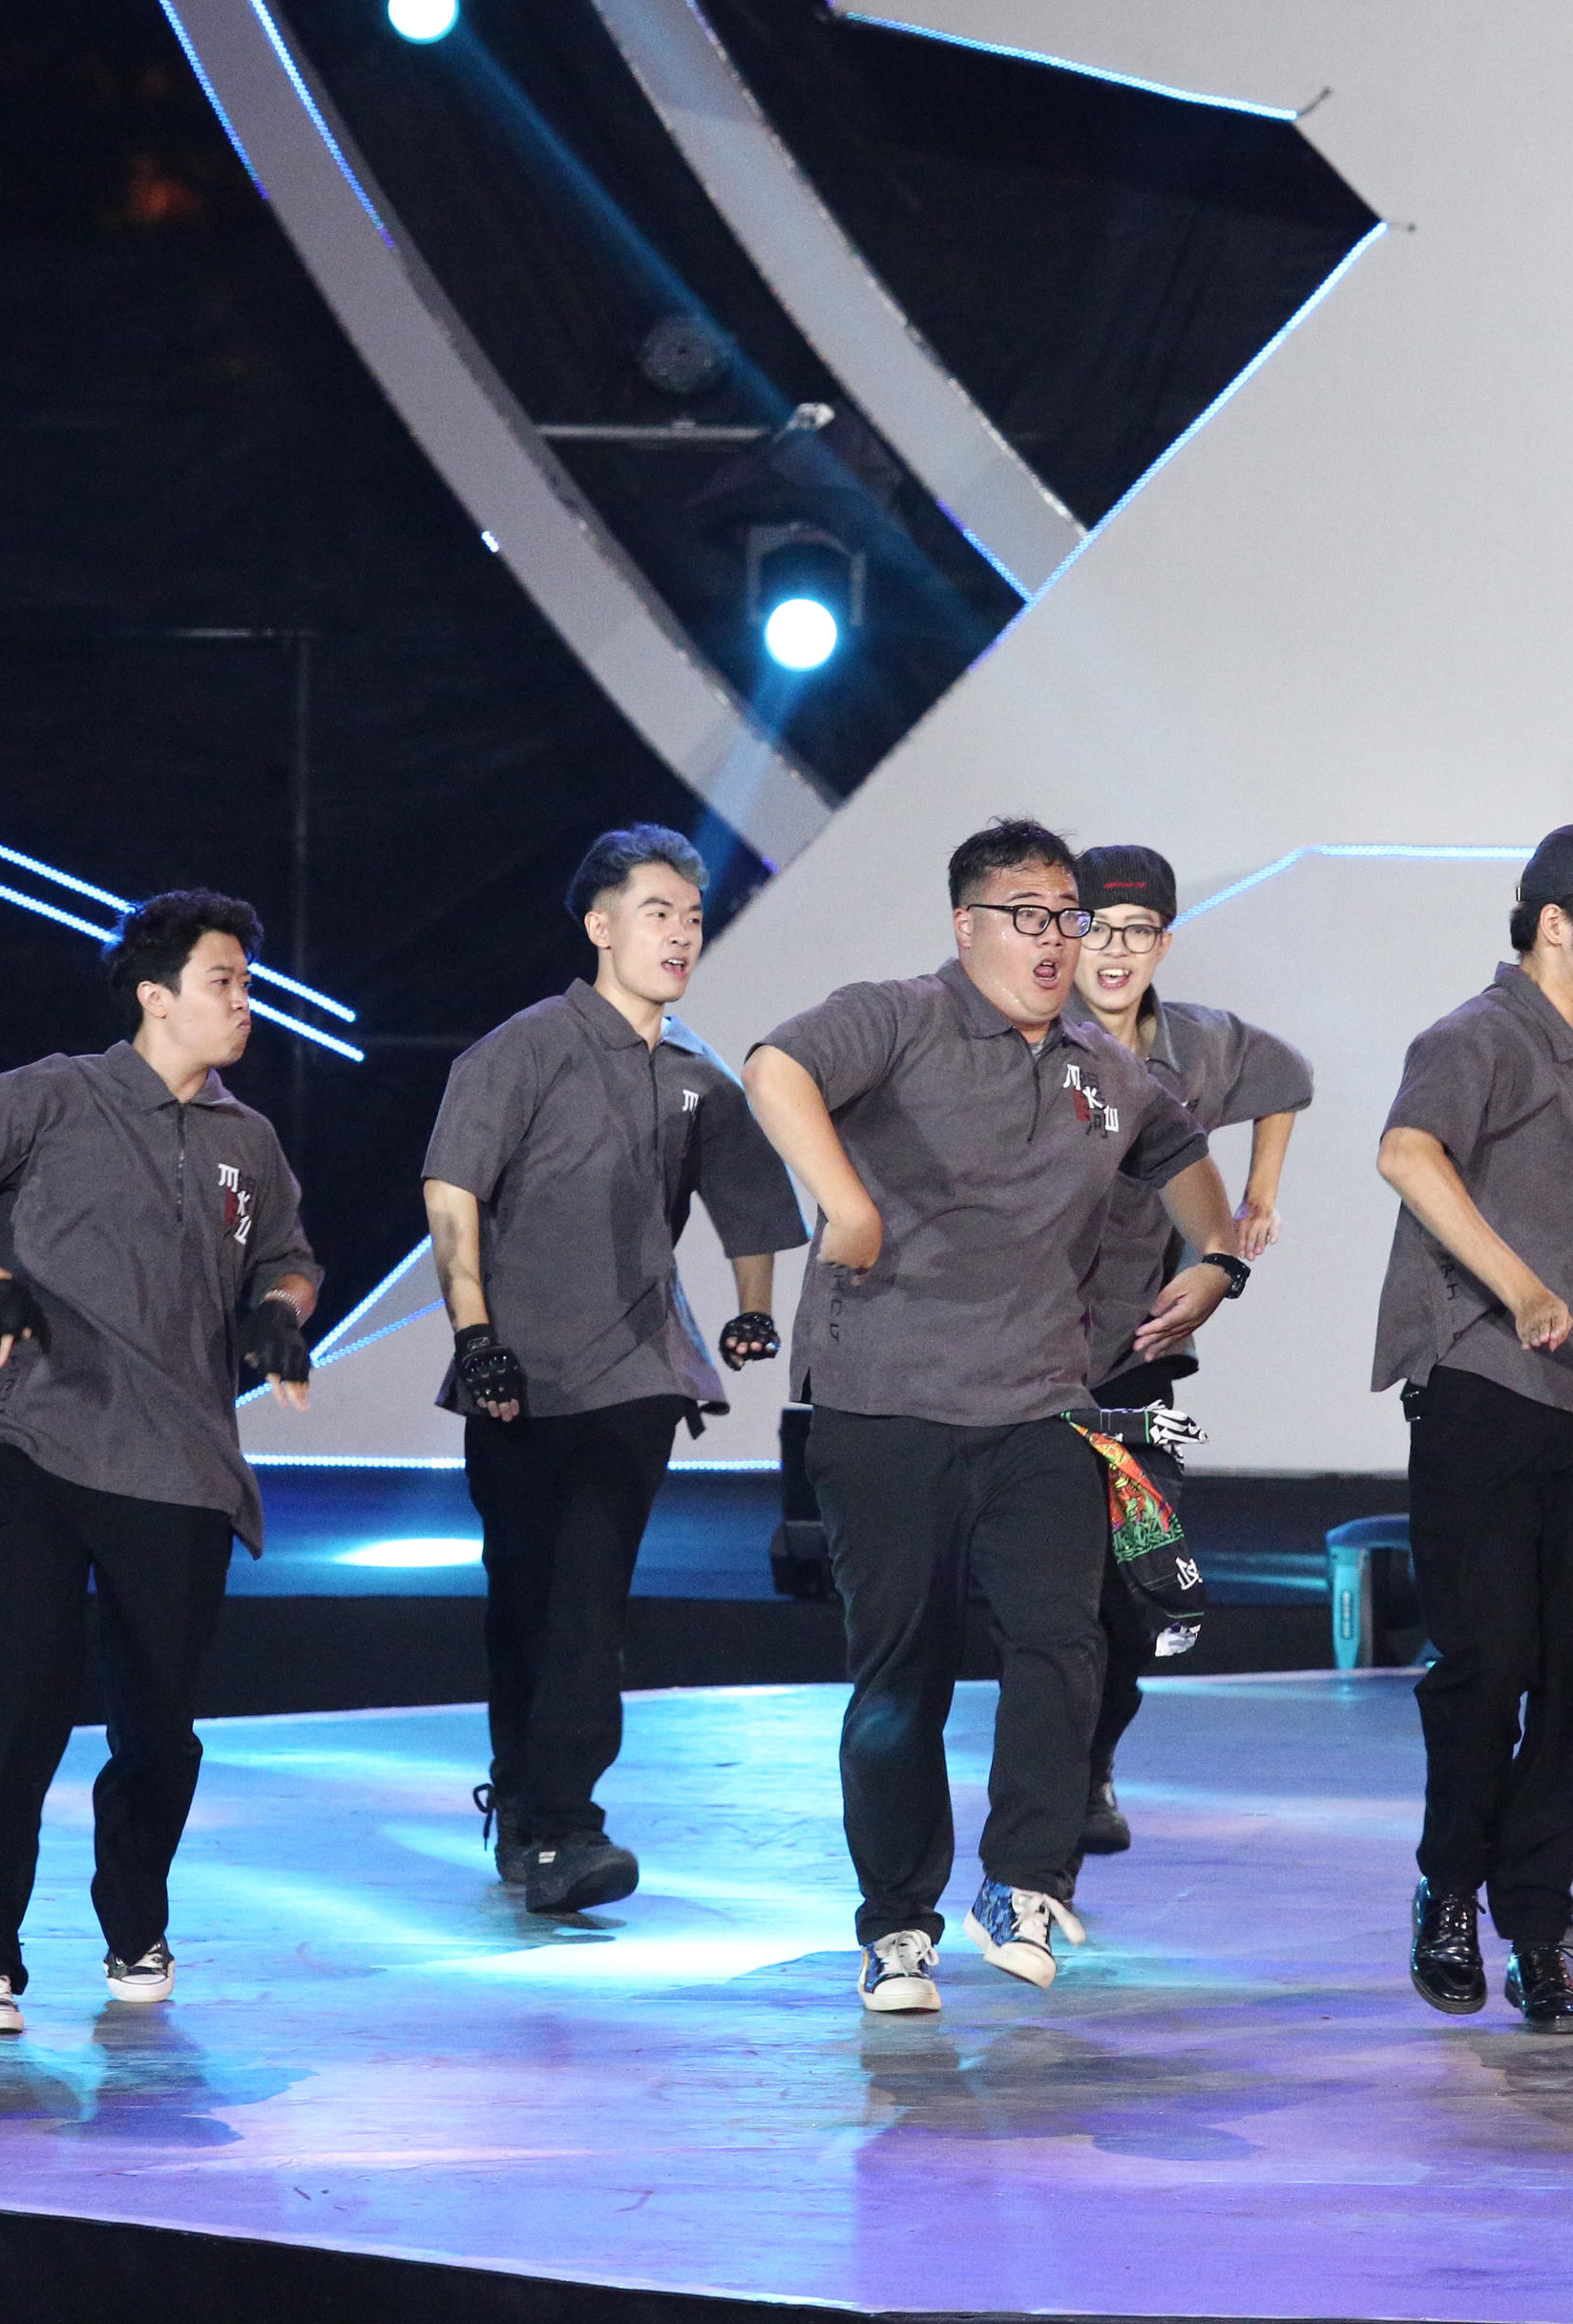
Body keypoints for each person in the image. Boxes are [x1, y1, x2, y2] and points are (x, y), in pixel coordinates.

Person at [743, 819, 1245, 2016]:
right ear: (967, 926)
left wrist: (1219, 1260)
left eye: (1068, 916)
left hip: (1041, 1403)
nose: (1055, 939)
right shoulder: (900, 1016)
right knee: (901, 1674)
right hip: (885, 1401)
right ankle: (895, 1926)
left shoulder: (1102, 1068)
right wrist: (847, 1203)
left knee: (1064, 1642)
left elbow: (1179, 1152)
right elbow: (774, 1067)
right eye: (1028, 916)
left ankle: (1023, 1880)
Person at [0, 890, 324, 2037]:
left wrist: (280, 1309)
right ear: (155, 995)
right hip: (33, 1439)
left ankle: (135, 1923)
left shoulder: (247, 1140)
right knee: (18, 1700)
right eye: (224, 982)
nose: (246, 1004)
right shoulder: (54, 1093)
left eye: (247, 983)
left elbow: (288, 1256)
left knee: (160, 1728)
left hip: (179, 1464)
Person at [425, 826, 810, 1915]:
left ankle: (566, 1825)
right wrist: (475, 1333)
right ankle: (523, 1798)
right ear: (600, 926)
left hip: (641, 1369)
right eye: (657, 913)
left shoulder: (698, 1075)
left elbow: (751, 1203)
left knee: (589, 1599)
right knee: (526, 1600)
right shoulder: (522, 1049)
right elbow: (453, 1192)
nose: (681, 934)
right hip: (518, 1375)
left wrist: (751, 1311)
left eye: (692, 917)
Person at [1374, 823, 1573, 2035]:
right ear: (1555, 924)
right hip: (1487, 1390)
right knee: (1487, 1661)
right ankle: (1449, 1889)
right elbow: (1406, 1153)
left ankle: (1539, 1927)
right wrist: (1517, 1288)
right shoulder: (1476, 1037)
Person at [1064, 842, 1314, 1856]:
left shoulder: (1201, 1046)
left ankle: (1090, 1764)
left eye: (1139, 931)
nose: (1115, 951)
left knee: (1139, 1584)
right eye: (1096, 928)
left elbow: (1289, 1076)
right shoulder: (1030, 1037)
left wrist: (1258, 1197)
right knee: (1048, 1594)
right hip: (1019, 1358)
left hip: (1137, 1358)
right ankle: (1047, 1789)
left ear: (1165, 942)